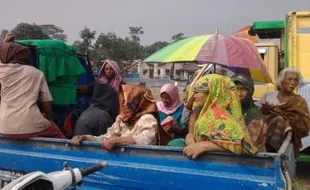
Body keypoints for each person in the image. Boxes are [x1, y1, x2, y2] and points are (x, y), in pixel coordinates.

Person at [169, 74, 258, 159]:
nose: (194, 96)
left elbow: (244, 146)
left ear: (212, 93)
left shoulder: (225, 119)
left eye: (198, 92)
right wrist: (191, 135)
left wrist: (205, 146)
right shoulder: (206, 114)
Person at [0, 40, 65, 139]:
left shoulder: (2, 71)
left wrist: (5, 42)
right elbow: (47, 102)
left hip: (4, 126)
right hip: (31, 124)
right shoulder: (37, 73)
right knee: (59, 137)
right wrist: (49, 120)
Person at [71, 84, 159, 150]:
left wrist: (116, 141)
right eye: (122, 102)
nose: (123, 106)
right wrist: (85, 138)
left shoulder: (148, 119)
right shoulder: (122, 119)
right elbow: (107, 138)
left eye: (125, 102)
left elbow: (146, 140)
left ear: (135, 102)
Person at [257, 68, 310, 155]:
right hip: (263, 138)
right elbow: (257, 115)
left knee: (279, 120)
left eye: (295, 80)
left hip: (286, 143)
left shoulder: (300, 101)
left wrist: (282, 115)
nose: (292, 83)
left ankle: (274, 151)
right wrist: (268, 111)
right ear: (281, 80)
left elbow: (304, 124)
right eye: (289, 79)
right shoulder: (268, 96)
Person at [232, 74, 267, 152]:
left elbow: (248, 147)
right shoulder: (229, 110)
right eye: (234, 89)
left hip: (252, 160)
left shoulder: (254, 116)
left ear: (250, 91)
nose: (239, 94)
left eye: (243, 89)